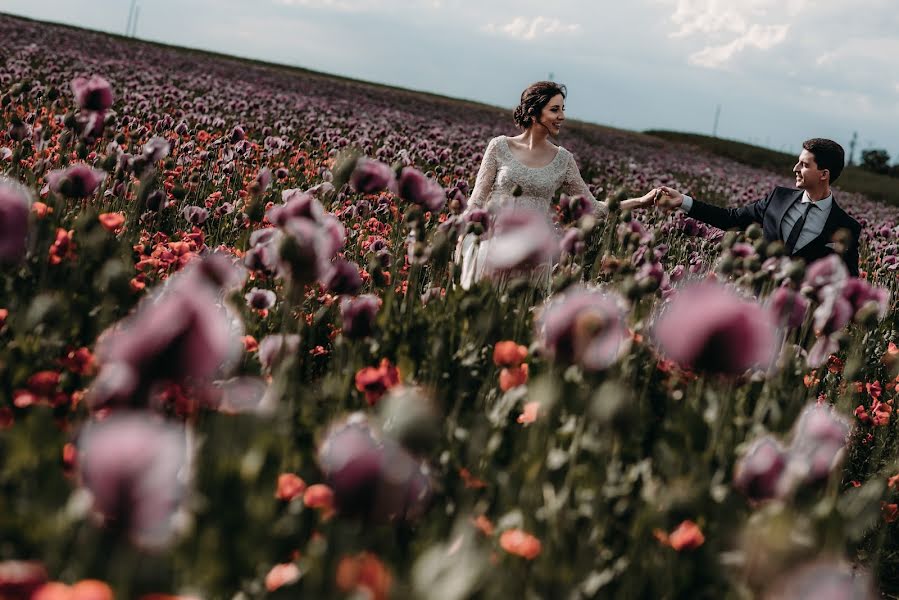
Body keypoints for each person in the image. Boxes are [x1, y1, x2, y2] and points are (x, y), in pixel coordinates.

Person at [457, 81, 657, 287]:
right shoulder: (499, 146)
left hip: (534, 253)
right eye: (554, 110)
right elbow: (477, 201)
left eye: (563, 109)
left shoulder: (564, 160)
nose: (561, 116)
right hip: (494, 244)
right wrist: (462, 234)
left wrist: (641, 201)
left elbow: (594, 209)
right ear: (534, 113)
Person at [658, 138, 861, 276]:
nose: (795, 169)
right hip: (758, 301)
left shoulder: (847, 227)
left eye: (804, 165)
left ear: (824, 174)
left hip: (802, 322)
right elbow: (731, 218)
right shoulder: (778, 199)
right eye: (798, 163)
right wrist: (683, 201)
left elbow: (848, 280)